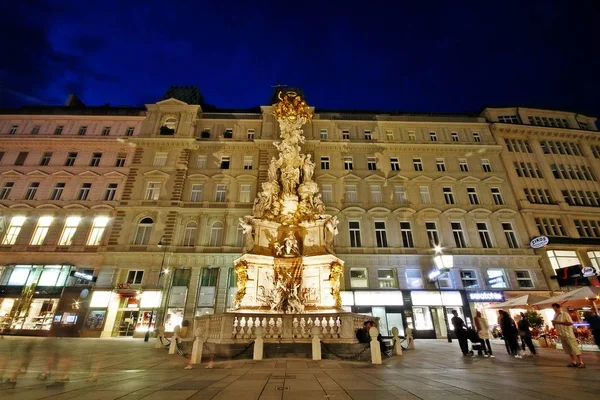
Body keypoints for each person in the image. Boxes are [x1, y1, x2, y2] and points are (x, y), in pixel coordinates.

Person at [552, 303, 585, 368]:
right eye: (553, 308)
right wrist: (554, 323)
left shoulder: (565, 314)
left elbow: (570, 323)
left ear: (558, 308)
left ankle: (581, 362)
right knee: (567, 349)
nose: (554, 310)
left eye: (555, 308)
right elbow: (555, 324)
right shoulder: (555, 315)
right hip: (561, 334)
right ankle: (573, 362)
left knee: (574, 348)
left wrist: (559, 322)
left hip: (568, 334)